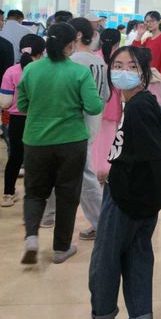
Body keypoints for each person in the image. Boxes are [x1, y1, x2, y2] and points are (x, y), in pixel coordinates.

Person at [69, 46, 161, 319]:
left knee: (105, 261)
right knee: (137, 258)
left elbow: (158, 155)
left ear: (144, 73)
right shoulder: (138, 102)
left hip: (126, 197)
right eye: (118, 65)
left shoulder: (139, 107)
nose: (123, 72)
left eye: (132, 67)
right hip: (140, 195)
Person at [18, 22, 104, 265]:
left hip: (36, 141)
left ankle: (32, 237)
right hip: (71, 142)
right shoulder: (78, 72)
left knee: (34, 193)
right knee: (67, 194)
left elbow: (22, 105)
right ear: (70, 45)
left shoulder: (31, 69)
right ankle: (60, 248)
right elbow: (94, 107)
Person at [43, 18, 110, 238]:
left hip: (74, 121)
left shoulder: (73, 62)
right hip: (94, 119)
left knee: (83, 172)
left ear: (78, 35)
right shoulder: (99, 61)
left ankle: (102, 223)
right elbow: (106, 95)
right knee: (75, 168)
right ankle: (50, 214)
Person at [0, 34, 45, 207]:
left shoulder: (11, 71)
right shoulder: (44, 71)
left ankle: (8, 194)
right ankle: (36, 195)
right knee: (38, 158)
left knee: (15, 157)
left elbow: (5, 102)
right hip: (39, 119)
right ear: (41, 53)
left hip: (16, 120)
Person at [91, 29, 123, 183]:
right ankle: (107, 171)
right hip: (113, 106)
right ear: (118, 43)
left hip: (94, 106)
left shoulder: (92, 57)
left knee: (94, 141)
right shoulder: (121, 60)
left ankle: (93, 171)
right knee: (109, 141)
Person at [132, 11, 161, 105]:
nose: (149, 24)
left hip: (157, 80)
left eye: (152, 21)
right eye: (147, 21)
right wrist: (139, 35)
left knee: (155, 107)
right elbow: (135, 52)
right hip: (147, 78)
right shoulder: (149, 39)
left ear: (159, 21)